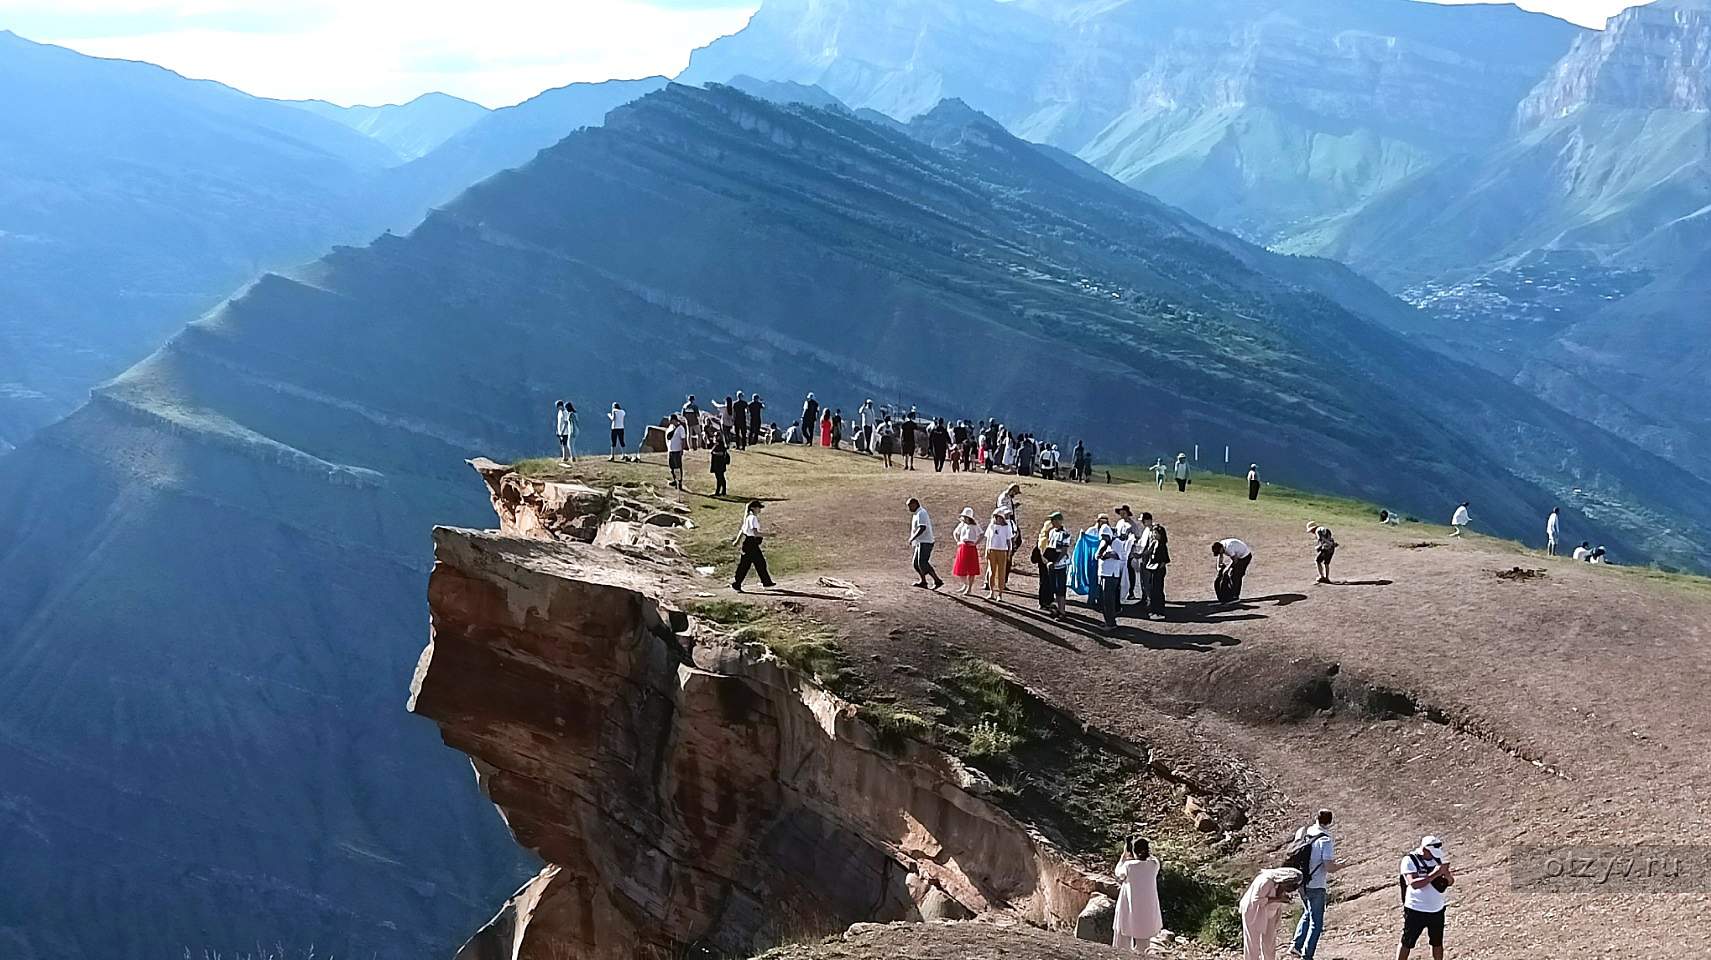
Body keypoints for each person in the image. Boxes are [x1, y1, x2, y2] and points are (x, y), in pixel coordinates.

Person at [1292, 809, 1346, 960]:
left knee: (1307, 913)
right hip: (1316, 884)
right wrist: (1341, 866)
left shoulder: (1307, 833)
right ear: (1330, 822)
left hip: (1301, 882)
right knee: (1316, 921)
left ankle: (1296, 945)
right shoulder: (1326, 840)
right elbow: (1329, 866)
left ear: (1316, 818)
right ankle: (1307, 955)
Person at [1398, 837, 1454, 960]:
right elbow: (1413, 884)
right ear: (1424, 849)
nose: (1433, 856)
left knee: (1437, 942)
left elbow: (1450, 882)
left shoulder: (1438, 859)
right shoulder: (1410, 860)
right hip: (1416, 909)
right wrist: (1435, 874)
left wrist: (1447, 874)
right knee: (1407, 942)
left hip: (1437, 909)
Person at [1112, 836, 1163, 954]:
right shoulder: (1154, 864)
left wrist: (1124, 856)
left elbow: (1118, 873)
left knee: (1122, 939)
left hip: (1129, 906)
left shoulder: (1129, 866)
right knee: (1144, 943)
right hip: (1147, 910)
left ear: (1133, 851)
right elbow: (1150, 858)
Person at [1239, 867, 1303, 960]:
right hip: (1254, 912)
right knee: (1252, 944)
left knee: (1269, 943)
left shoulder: (1280, 884)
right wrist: (1279, 899)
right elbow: (1257, 900)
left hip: (1270, 913)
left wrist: (1284, 898)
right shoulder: (1266, 881)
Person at [731, 500, 775, 592]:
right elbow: (755, 533)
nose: (759, 510)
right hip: (751, 543)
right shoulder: (753, 518)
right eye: (758, 508)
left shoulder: (748, 518)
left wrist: (737, 541)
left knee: (752, 563)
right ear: (753, 508)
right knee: (755, 563)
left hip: (748, 543)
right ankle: (738, 583)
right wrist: (769, 535)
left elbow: (742, 531)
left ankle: (765, 582)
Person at [907, 497, 943, 590]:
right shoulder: (917, 513)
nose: (909, 508)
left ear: (915, 504)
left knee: (923, 563)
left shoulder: (921, 513)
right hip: (920, 542)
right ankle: (923, 581)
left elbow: (922, 527)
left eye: (910, 506)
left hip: (926, 542)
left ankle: (937, 580)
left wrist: (913, 537)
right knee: (916, 563)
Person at [1042, 512, 1073, 619]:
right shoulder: (1051, 532)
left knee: (1061, 589)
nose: (1052, 523)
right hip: (1052, 564)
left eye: (1054, 520)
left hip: (1060, 565)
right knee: (1054, 588)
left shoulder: (1065, 534)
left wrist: (1055, 562)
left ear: (1059, 521)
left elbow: (1064, 551)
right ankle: (1058, 609)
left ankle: (1062, 611)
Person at [1097, 528, 1129, 632]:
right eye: (1102, 536)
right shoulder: (1103, 543)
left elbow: (1121, 556)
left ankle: (1111, 623)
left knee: (1109, 600)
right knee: (1104, 600)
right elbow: (1096, 556)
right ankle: (1108, 621)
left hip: (1111, 575)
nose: (1103, 538)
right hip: (1103, 573)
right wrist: (1102, 552)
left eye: (1105, 536)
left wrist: (1108, 555)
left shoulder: (1117, 543)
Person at [983, 510, 1014, 602]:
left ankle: (1000, 593)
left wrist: (1009, 552)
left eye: (999, 517)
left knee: (1001, 572)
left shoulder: (1006, 527)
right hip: (992, 550)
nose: (998, 519)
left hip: (1002, 551)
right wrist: (986, 551)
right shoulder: (991, 526)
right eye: (996, 517)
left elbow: (1009, 541)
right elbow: (988, 539)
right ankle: (991, 592)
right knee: (991, 571)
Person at [951, 507, 983, 595]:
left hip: (971, 548)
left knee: (971, 570)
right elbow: (955, 533)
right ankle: (965, 585)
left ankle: (969, 588)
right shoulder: (962, 524)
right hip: (962, 547)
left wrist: (976, 543)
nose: (964, 519)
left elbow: (981, 534)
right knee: (960, 568)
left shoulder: (975, 525)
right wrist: (958, 541)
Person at [1213, 538, 1254, 602]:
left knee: (1236, 575)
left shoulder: (1229, 548)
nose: (1219, 553)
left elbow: (1235, 560)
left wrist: (1227, 569)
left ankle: (1235, 596)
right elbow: (1220, 556)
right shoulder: (1221, 545)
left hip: (1245, 557)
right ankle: (1232, 594)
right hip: (1238, 556)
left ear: (1221, 548)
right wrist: (1218, 567)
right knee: (1233, 574)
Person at [1142, 522, 1170, 618]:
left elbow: (1164, 560)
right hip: (1152, 569)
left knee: (1157, 590)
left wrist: (1157, 569)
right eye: (1153, 533)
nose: (1154, 535)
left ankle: (1159, 611)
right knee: (1152, 590)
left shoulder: (1162, 546)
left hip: (1158, 571)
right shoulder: (1153, 543)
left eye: (1156, 533)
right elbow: (1147, 553)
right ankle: (1153, 610)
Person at [665, 414, 688, 490]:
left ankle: (679, 482)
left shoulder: (680, 428)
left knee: (677, 467)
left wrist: (682, 449)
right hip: (671, 450)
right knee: (672, 466)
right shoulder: (671, 427)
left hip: (677, 450)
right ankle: (675, 480)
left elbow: (683, 439)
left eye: (671, 420)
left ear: (674, 420)